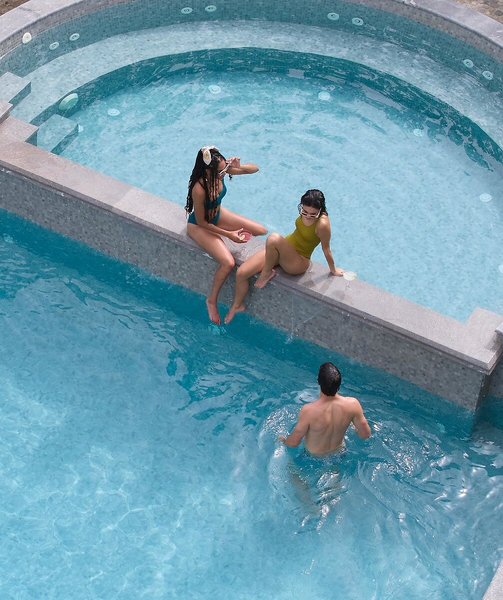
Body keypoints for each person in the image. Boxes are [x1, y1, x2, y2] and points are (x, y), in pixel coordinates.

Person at [224, 189, 344, 324]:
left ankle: (266, 273)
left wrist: (333, 270)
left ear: (320, 210)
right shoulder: (305, 212)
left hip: (298, 261)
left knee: (273, 238)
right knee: (241, 273)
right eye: (304, 212)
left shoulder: (322, 224)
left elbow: (326, 249)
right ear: (301, 206)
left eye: (313, 214)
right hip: (283, 248)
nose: (308, 216)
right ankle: (237, 306)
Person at [185, 145, 267, 325]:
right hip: (199, 225)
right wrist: (229, 235)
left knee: (261, 230)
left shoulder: (221, 171)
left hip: (217, 215)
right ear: (208, 170)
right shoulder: (199, 189)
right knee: (228, 262)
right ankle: (211, 300)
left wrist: (239, 166)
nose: (224, 173)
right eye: (221, 171)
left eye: (225, 169)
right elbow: (202, 222)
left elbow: (255, 169)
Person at [279, 362, 371, 456]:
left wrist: (283, 440)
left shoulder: (309, 411)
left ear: (318, 382)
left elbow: (294, 443)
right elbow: (365, 434)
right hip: (339, 452)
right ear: (339, 383)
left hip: (313, 456)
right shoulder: (353, 404)